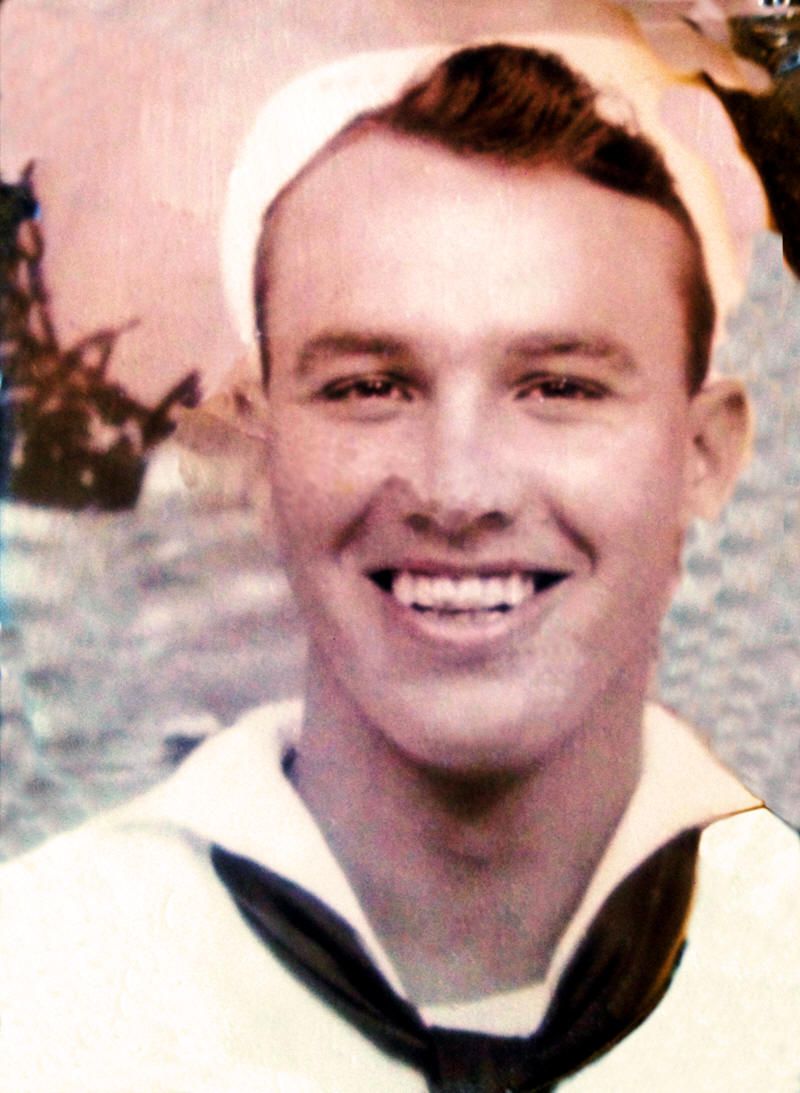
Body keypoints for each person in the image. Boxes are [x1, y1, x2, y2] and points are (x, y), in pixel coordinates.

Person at [1, 40, 798, 1093]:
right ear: (253, 450)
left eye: (559, 387)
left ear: (701, 455)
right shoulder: (38, 985)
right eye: (369, 386)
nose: (457, 490)